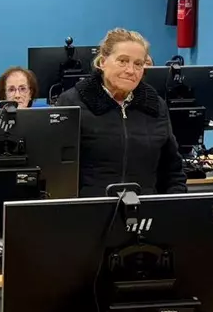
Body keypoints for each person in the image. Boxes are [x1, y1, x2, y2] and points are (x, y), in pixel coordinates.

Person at [52, 29, 186, 197]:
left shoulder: (156, 105)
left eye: (138, 64)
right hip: (89, 209)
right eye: (123, 61)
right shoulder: (72, 102)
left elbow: (172, 171)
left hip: (145, 208)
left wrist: (173, 205)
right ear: (102, 62)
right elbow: (56, 171)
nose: (131, 70)